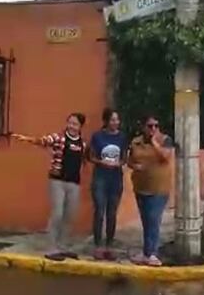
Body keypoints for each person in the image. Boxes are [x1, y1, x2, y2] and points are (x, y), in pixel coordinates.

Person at [10, 112, 87, 261]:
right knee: (57, 213)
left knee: (69, 216)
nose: (71, 126)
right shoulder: (59, 138)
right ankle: (51, 248)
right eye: (70, 122)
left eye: (75, 124)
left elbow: (83, 161)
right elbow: (43, 141)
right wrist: (27, 139)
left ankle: (63, 246)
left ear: (80, 126)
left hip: (74, 183)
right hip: (57, 180)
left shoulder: (82, 144)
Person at [128, 115, 175, 266]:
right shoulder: (136, 142)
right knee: (146, 221)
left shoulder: (165, 140)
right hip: (141, 187)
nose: (153, 129)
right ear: (143, 127)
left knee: (154, 220)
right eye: (149, 126)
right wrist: (134, 166)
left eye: (156, 125)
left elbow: (165, 157)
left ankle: (153, 253)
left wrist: (154, 142)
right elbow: (129, 160)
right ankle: (146, 252)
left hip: (159, 189)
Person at [88, 108, 129, 260]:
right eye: (112, 120)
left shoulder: (122, 137)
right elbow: (90, 156)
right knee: (99, 211)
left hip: (116, 178)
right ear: (106, 121)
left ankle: (109, 245)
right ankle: (98, 245)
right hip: (100, 177)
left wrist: (119, 163)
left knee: (112, 213)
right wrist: (101, 162)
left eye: (117, 120)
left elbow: (125, 157)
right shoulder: (97, 136)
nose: (115, 123)